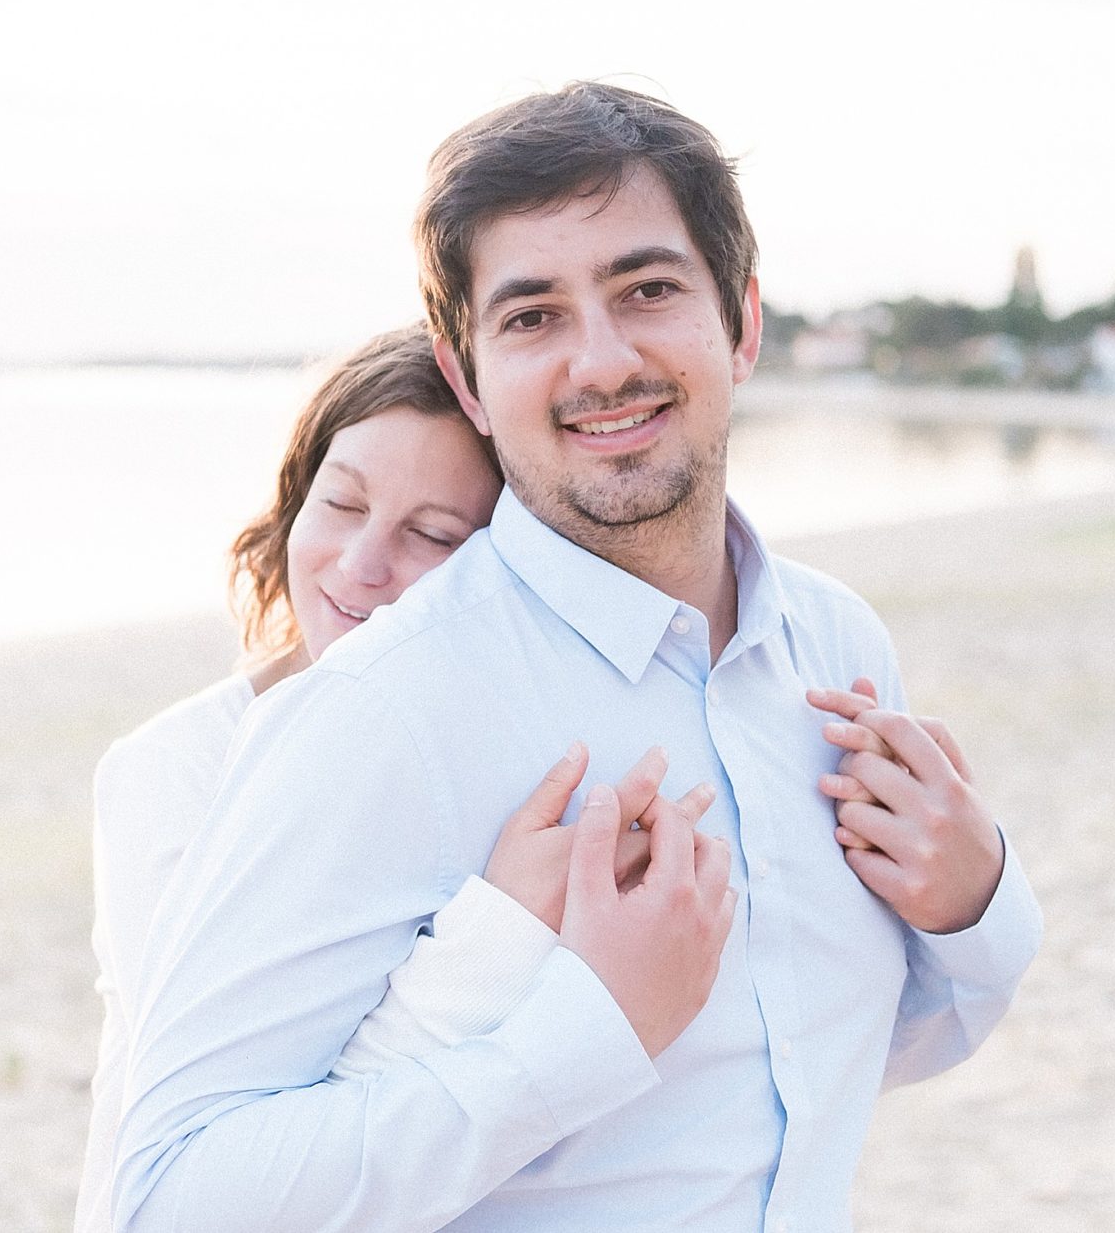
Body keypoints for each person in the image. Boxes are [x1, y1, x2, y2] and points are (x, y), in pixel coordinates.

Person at [112, 84, 1043, 1232]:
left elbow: (816, 1061)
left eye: (646, 290)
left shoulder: (834, 649)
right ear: (467, 381)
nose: (599, 362)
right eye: (531, 316)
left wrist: (974, 904)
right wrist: (585, 1034)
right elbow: (167, 1199)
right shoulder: (381, 709)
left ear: (741, 322)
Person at [76, 327, 714, 1231]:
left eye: (433, 535)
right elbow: (246, 1151)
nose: (362, 566)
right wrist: (500, 932)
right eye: (340, 504)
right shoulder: (172, 774)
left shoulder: (507, 758)